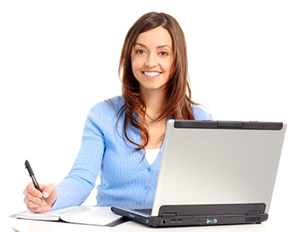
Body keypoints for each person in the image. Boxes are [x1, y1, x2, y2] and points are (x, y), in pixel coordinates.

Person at [23, 12, 212, 213]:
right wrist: (53, 197)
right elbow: (82, 179)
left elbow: (209, 185)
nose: (150, 62)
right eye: (140, 51)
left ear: (177, 59)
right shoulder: (103, 115)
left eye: (162, 53)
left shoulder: (199, 119)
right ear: (129, 56)